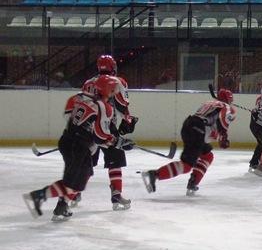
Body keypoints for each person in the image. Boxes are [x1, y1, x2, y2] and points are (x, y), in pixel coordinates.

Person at [23, 75, 135, 221]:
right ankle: (39, 196)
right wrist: (119, 142)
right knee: (74, 182)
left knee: (79, 178)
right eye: (113, 88)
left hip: (68, 141)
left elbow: (78, 121)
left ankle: (59, 206)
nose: (115, 91)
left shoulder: (83, 99)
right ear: (108, 89)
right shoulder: (104, 107)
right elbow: (100, 136)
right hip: (78, 146)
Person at [69, 55, 138, 210]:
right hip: (107, 125)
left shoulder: (88, 83)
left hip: (87, 127)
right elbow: (122, 106)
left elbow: (82, 105)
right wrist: (128, 121)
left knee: (86, 163)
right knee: (115, 159)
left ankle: (74, 193)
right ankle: (116, 195)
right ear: (113, 67)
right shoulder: (118, 82)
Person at [141, 89, 236, 196]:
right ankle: (155, 174)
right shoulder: (227, 107)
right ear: (229, 99)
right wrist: (224, 137)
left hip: (188, 125)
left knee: (207, 156)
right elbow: (222, 121)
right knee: (186, 166)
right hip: (198, 131)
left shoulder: (210, 103)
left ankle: (193, 182)